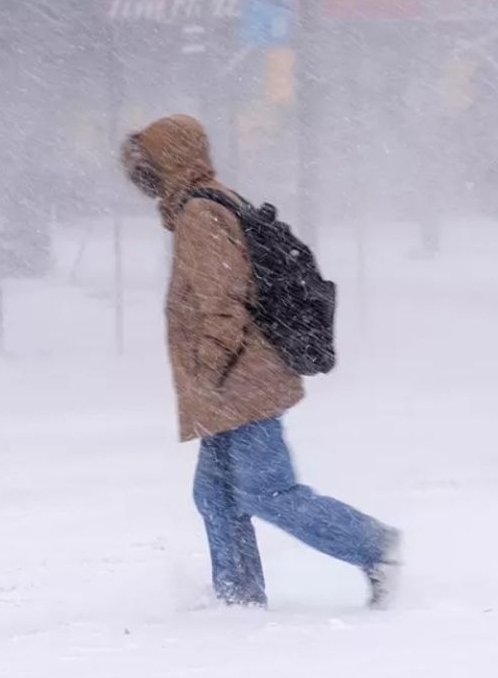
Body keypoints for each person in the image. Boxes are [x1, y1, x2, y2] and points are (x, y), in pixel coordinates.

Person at [120, 114, 400, 609]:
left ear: (170, 161)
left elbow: (224, 306)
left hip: (241, 382)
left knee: (267, 492)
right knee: (216, 496)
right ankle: (238, 598)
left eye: (149, 164)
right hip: (233, 383)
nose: (143, 178)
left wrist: (207, 370)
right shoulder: (207, 202)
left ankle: (373, 546)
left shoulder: (200, 214)